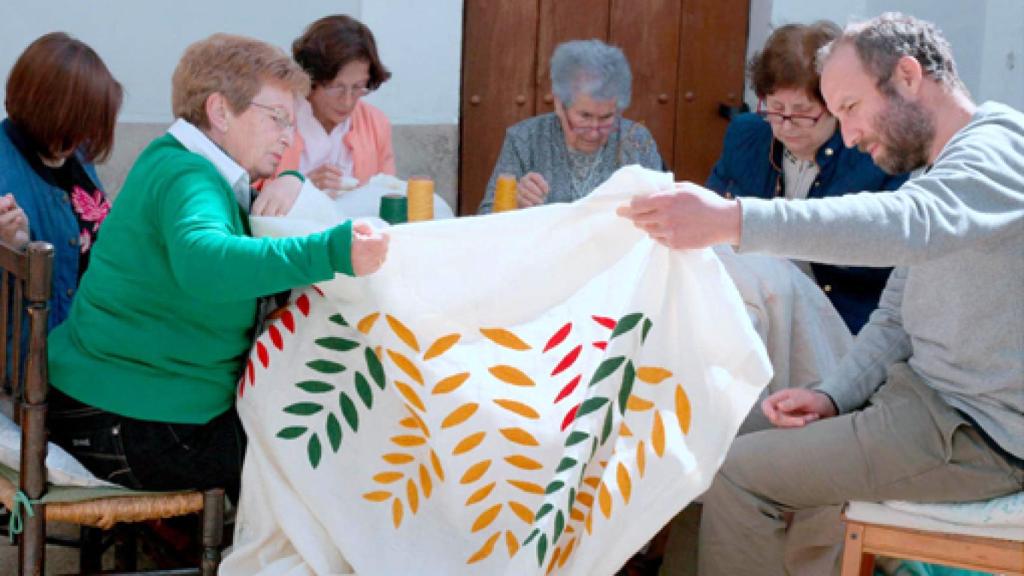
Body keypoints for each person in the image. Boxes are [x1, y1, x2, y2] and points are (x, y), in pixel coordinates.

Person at [619, 12, 1023, 576]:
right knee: (709, 440)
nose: (850, 135)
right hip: (920, 405)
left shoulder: (1000, 151)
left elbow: (908, 220)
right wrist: (833, 394)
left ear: (908, 77)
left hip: (973, 432)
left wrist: (734, 220)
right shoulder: (945, 171)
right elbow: (893, 320)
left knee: (739, 472)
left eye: (851, 109)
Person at [45, 33, 390, 503]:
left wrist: (290, 179)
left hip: (101, 401)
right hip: (128, 422)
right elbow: (207, 261)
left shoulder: (178, 159)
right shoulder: (189, 177)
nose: (289, 135)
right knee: (326, 449)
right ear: (220, 111)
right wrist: (333, 252)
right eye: (277, 119)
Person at [707, 21, 907, 334]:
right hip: (752, 306)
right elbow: (715, 215)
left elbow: (886, 259)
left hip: (839, 320)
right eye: (775, 108)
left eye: (802, 112)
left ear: (835, 105)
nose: (786, 125)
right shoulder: (747, 135)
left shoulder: (876, 153)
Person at [0, 32, 123, 329]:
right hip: (35, 354)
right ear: (47, 111)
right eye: (80, 121)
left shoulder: (76, 154)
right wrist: (11, 249)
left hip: (90, 334)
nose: (87, 133)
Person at [477, 39, 663, 214]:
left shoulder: (637, 139)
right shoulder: (524, 140)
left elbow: (664, 212)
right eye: (584, 116)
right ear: (559, 104)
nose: (593, 132)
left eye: (606, 118)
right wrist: (515, 202)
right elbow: (485, 220)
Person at [254, 14, 394, 216]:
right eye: (336, 88)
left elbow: (387, 193)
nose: (347, 101)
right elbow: (248, 196)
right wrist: (302, 188)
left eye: (358, 88)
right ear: (311, 79)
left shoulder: (375, 123)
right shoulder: (276, 118)